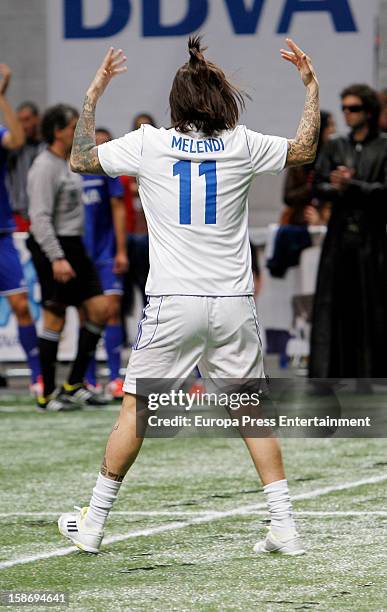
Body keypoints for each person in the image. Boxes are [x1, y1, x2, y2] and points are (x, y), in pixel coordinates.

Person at [58, 38, 320, 556]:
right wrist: (310, 87)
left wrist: (93, 92)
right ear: (222, 99)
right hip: (231, 301)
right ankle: (284, 527)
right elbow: (305, 148)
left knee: (137, 411)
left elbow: (80, 158)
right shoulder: (243, 143)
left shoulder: (148, 143)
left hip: (173, 302)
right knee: (251, 410)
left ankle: (92, 524)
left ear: (176, 103)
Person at [27, 104, 109, 411]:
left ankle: (73, 384)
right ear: (58, 131)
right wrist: (56, 257)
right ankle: (46, 394)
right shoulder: (44, 167)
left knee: (99, 310)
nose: (78, 131)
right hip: (54, 247)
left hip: (74, 246)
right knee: (55, 318)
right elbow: (39, 218)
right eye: (73, 126)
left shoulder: (67, 162)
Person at [310, 84, 387, 378]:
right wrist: (338, 186)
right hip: (339, 238)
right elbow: (317, 184)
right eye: (344, 108)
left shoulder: (383, 146)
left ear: (368, 111)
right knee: (335, 305)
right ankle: (332, 370)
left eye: (353, 108)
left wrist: (351, 186)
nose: (346, 114)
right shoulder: (335, 146)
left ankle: (374, 371)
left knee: (373, 306)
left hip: (372, 239)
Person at [0, 64, 42, 395]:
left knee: (21, 306)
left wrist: (1, 96)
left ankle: (37, 375)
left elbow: (16, 139)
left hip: (2, 236)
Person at [82, 127, 129, 399]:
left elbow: (118, 209)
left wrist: (120, 250)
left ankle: (114, 377)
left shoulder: (110, 174)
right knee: (86, 314)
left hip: (106, 253)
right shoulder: (75, 170)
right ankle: (87, 380)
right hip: (81, 255)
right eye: (95, 143)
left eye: (104, 144)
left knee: (112, 310)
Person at [282, 110, 336, 225]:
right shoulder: (300, 160)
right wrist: (312, 187)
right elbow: (288, 197)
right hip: (301, 221)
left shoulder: (334, 157)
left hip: (326, 219)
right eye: (329, 125)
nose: (333, 130)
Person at [7, 101, 44, 230]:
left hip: (44, 215)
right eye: (20, 121)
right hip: (19, 216)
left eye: (27, 120)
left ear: (37, 118)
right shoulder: (12, 149)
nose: (23, 125)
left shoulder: (48, 146)